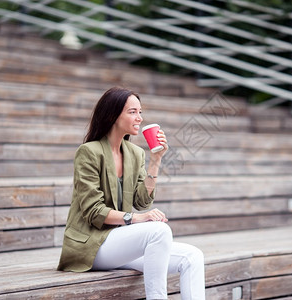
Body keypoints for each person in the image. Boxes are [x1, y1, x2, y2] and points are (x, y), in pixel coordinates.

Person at [57, 86, 206, 300]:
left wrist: (156, 160)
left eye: (140, 112)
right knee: (159, 231)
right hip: (90, 246)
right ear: (113, 115)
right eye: (132, 112)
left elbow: (142, 201)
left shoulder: (135, 154)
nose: (139, 118)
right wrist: (138, 219)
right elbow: (94, 211)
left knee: (192, 256)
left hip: (118, 242)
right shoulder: (89, 152)